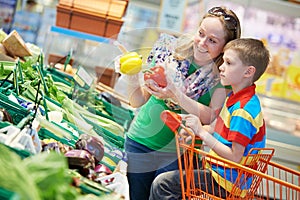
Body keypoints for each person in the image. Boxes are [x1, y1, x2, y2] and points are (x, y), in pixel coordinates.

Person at [117, 6, 241, 200]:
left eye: (212, 40)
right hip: (139, 143)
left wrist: (175, 94)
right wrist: (132, 75)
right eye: (201, 34)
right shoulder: (168, 56)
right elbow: (138, 100)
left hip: (178, 156)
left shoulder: (223, 78)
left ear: (225, 47)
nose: (201, 43)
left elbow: (212, 117)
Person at [149, 38, 270, 199]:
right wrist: (195, 128)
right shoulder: (235, 98)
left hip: (228, 182)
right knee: (173, 169)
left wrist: (201, 131)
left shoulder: (243, 110)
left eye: (228, 63)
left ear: (248, 72)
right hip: (219, 172)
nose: (221, 67)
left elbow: (235, 156)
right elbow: (216, 128)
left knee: (163, 184)